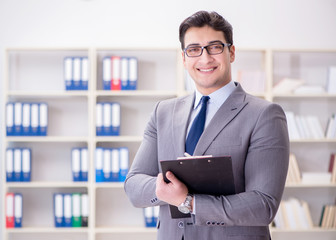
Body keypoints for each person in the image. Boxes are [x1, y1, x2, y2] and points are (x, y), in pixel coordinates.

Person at [124, 10, 289, 240]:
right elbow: (133, 186)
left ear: (231, 52)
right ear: (184, 58)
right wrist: (166, 189)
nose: (205, 58)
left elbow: (263, 205)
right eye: (194, 50)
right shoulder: (163, 112)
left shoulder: (264, 115)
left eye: (214, 47)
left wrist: (188, 201)